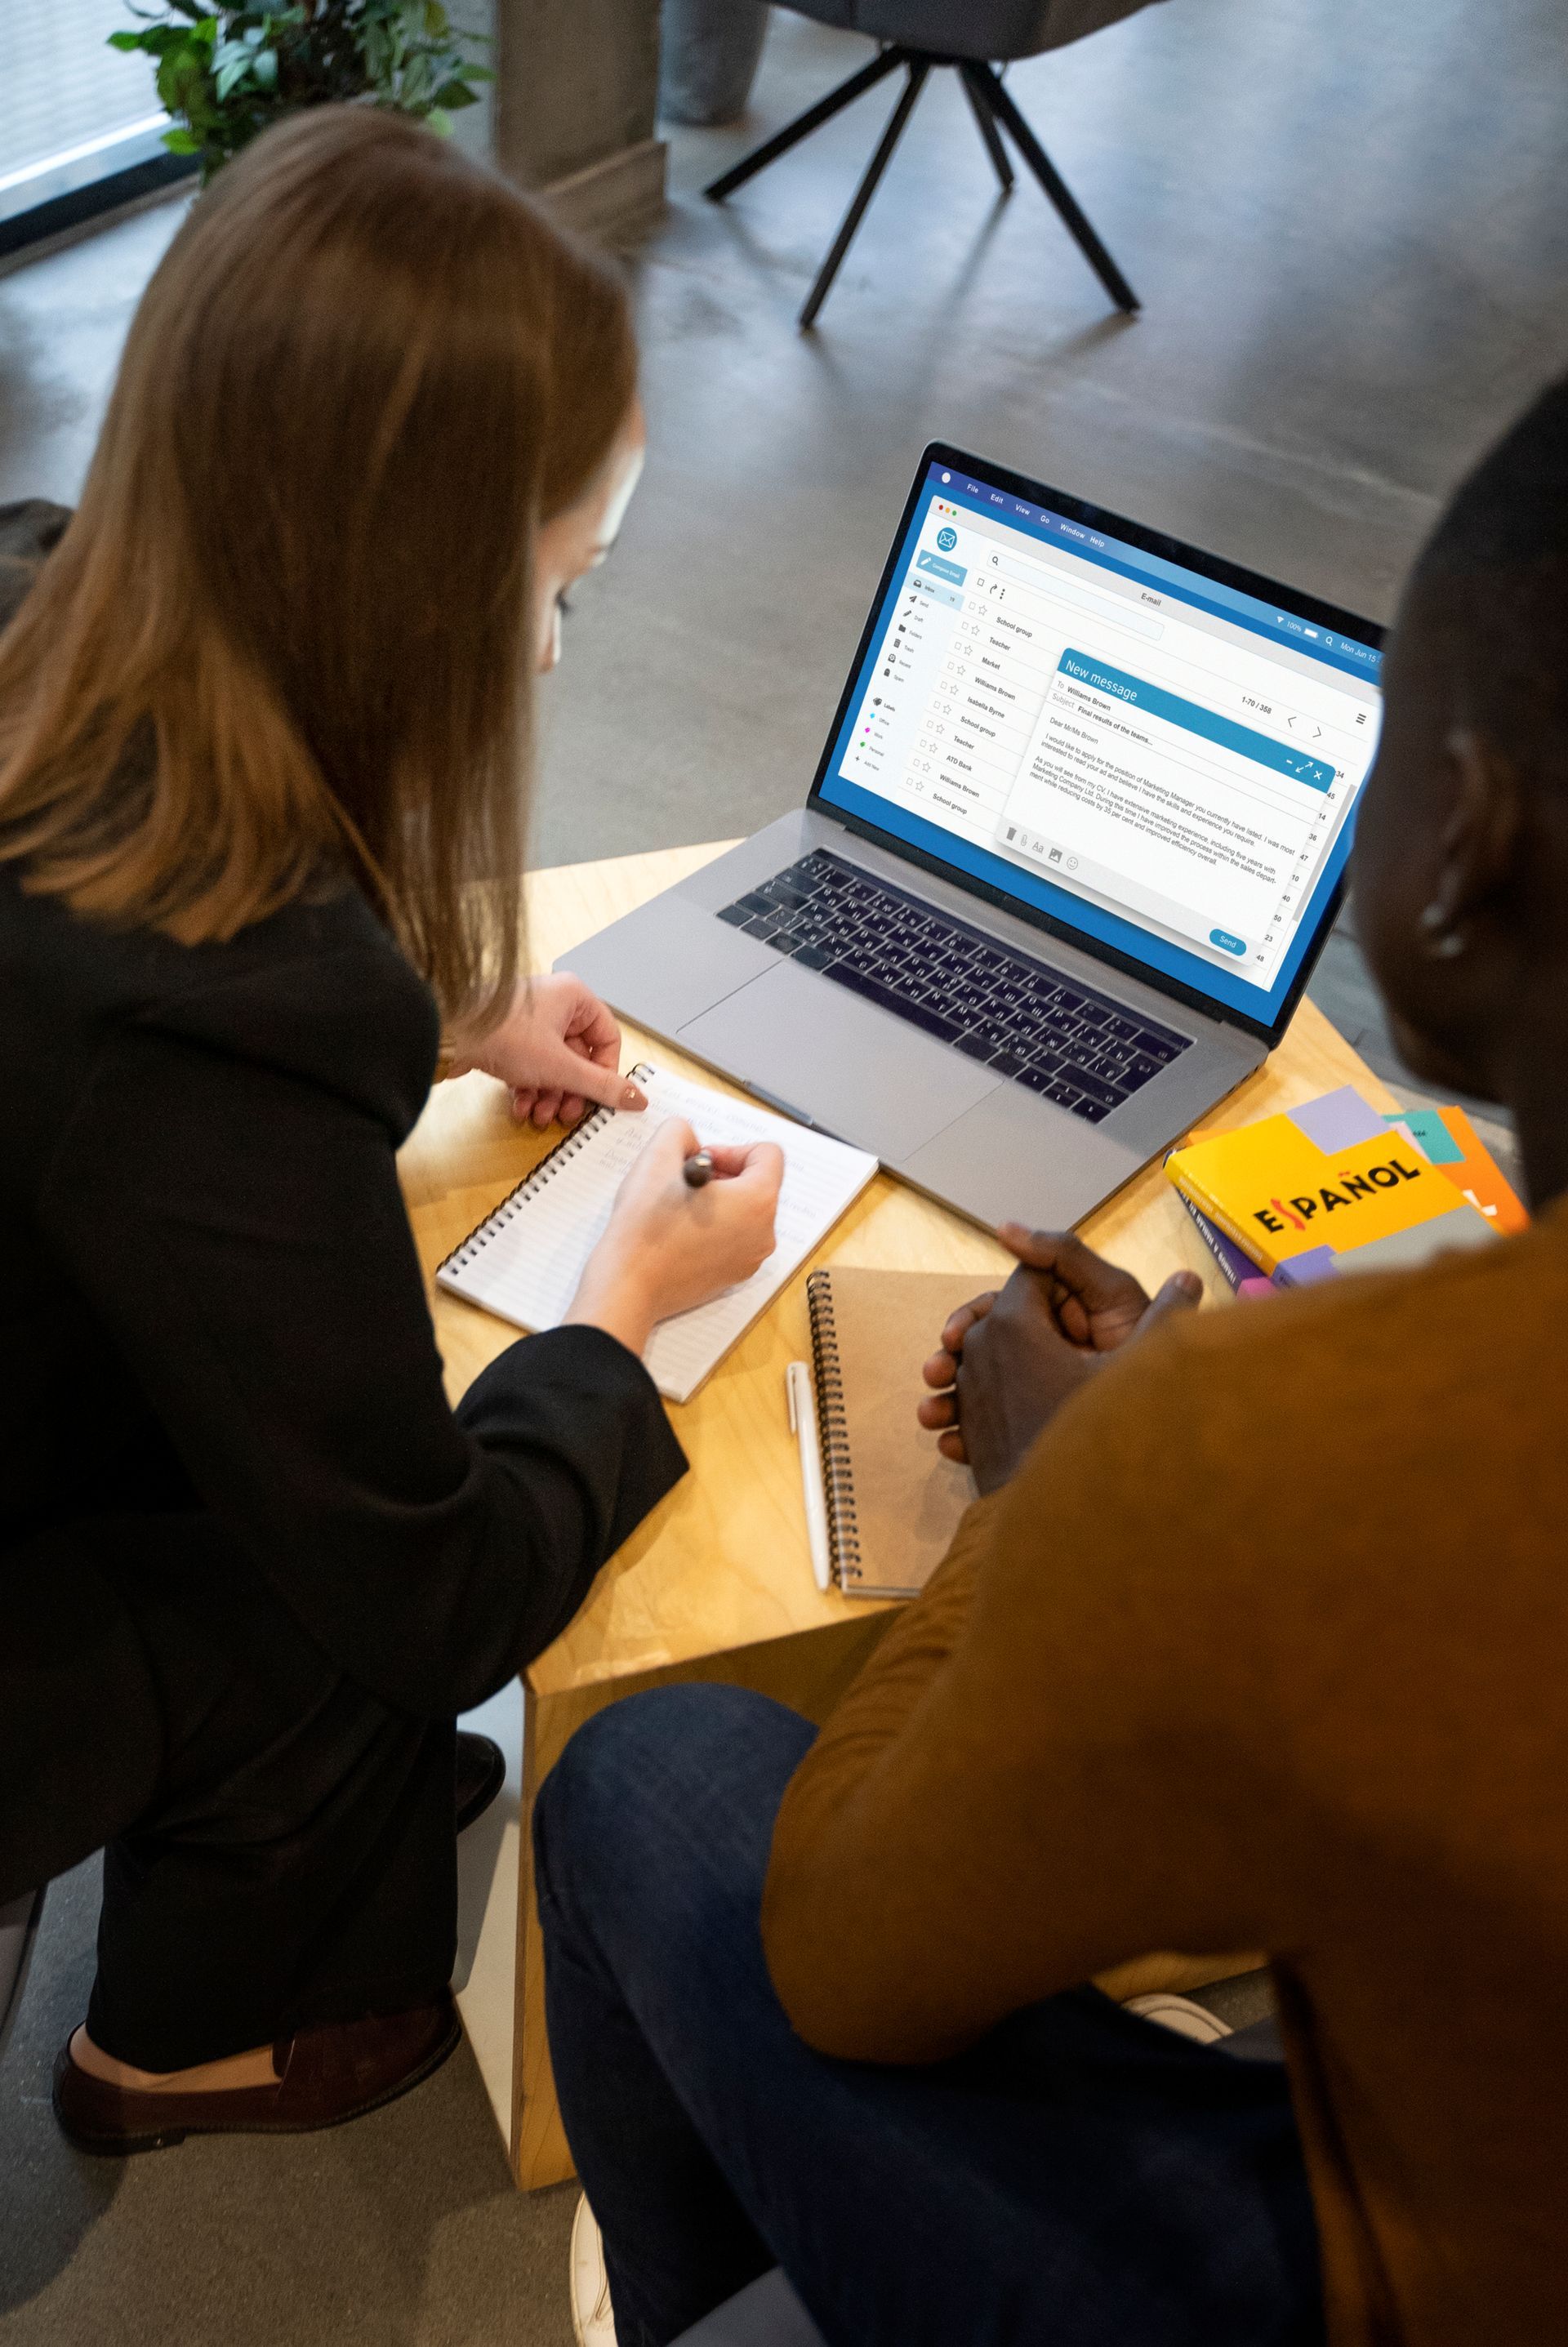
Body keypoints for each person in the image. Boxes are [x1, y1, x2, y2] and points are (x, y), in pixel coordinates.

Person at [534, 374, 1568, 2347]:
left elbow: (842, 1956)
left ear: (1472, 849)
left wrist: (1069, 1488)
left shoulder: (1290, 1449)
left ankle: (709, 2302)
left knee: (645, 1776)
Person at [0, 106, 783, 2154]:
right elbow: (426, 1586)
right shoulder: (235, 1004)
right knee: (339, 1569)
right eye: (551, 589)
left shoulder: (39, 597)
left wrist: (439, 1015)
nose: (542, 650)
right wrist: (615, 1319)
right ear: (409, 596)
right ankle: (181, 2044)